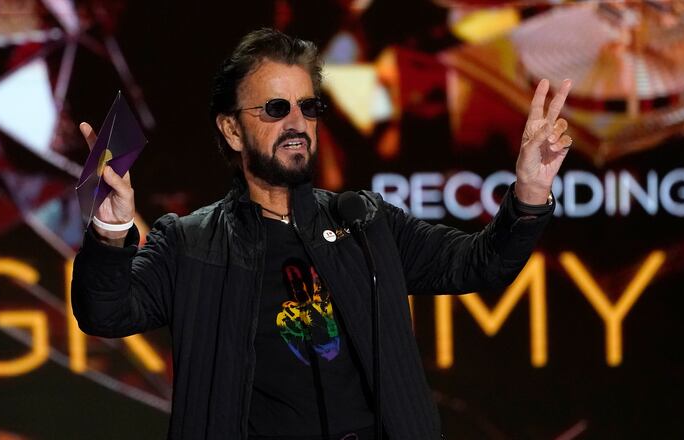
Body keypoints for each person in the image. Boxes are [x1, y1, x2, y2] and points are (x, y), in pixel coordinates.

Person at [71, 28, 572, 440]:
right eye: (275, 109)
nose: (297, 123)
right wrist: (112, 226)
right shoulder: (190, 243)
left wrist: (528, 192)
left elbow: (480, 262)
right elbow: (105, 312)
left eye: (307, 108)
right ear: (230, 129)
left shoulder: (364, 222)